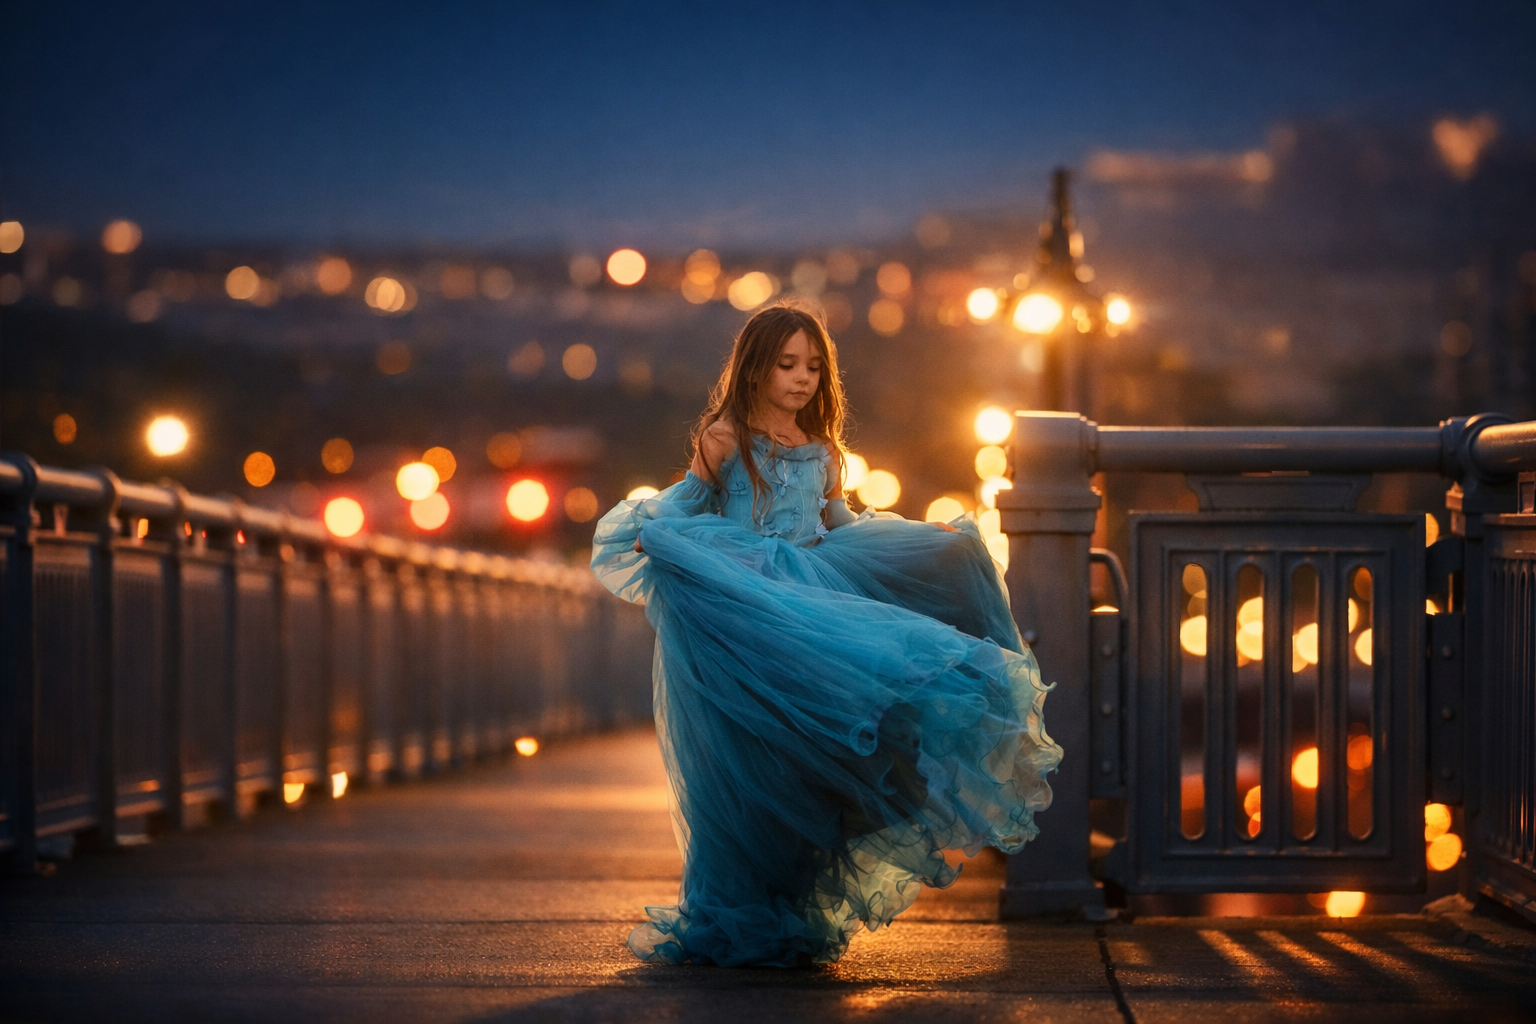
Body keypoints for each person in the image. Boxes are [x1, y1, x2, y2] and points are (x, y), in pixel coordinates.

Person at [591, 302, 1062, 968]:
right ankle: (741, 908)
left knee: (826, 748)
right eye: (787, 365)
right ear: (754, 367)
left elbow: (838, 523)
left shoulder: (821, 449)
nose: (802, 378)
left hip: (820, 591)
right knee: (754, 757)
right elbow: (687, 507)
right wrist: (661, 536)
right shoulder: (724, 438)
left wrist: (920, 542)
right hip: (753, 606)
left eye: (814, 366)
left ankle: (797, 904)